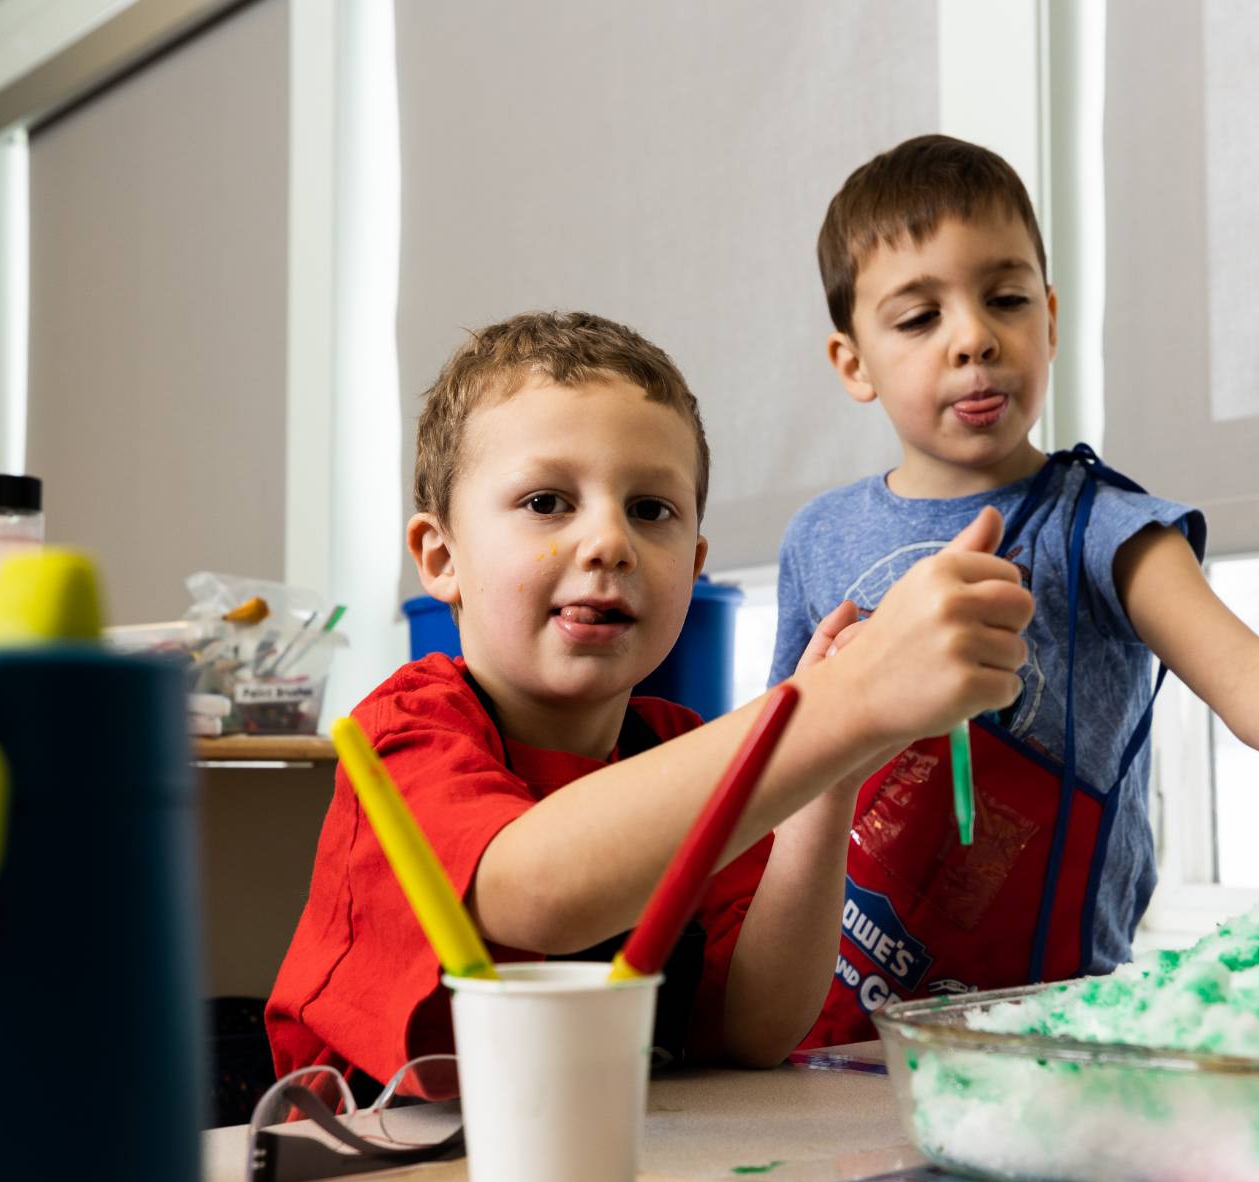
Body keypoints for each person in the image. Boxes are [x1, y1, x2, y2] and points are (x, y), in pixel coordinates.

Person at [773, 136, 1259, 1043]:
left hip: (1050, 1034)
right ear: (852, 363)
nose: (974, 337)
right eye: (917, 319)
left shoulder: (1105, 526)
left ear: (1053, 320)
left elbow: (1248, 671)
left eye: (1008, 299)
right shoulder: (817, 539)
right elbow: (775, 773)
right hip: (829, 1023)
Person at [266, 310, 1034, 1095]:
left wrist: (828, 779)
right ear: (441, 556)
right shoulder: (407, 729)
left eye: (650, 510)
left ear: (695, 565)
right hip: (368, 1176)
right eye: (546, 502)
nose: (609, 541)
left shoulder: (675, 748)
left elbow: (756, 1025)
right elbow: (537, 892)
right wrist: (836, 701)